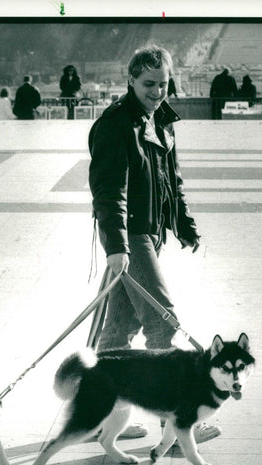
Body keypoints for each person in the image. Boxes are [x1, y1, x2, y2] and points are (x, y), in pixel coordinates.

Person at [88, 45, 219, 444]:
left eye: (163, 84)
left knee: (118, 329)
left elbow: (170, 180)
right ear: (130, 80)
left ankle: (101, 417)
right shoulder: (116, 124)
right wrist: (117, 247)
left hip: (150, 234)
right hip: (131, 236)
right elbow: (109, 193)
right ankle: (175, 431)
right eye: (149, 84)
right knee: (163, 325)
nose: (158, 92)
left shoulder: (161, 119)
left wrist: (184, 224)